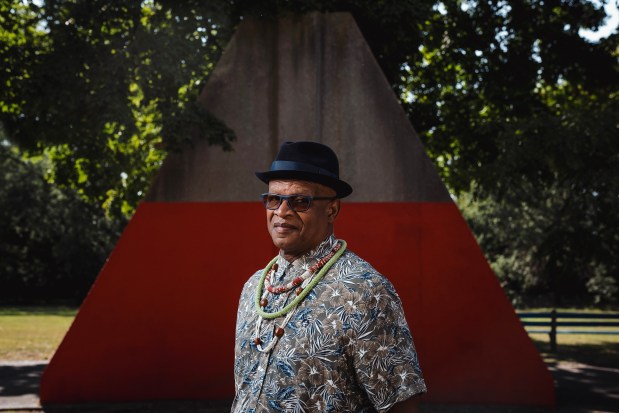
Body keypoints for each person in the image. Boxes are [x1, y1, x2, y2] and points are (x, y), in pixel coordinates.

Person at [232, 141, 426, 413]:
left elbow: (401, 406)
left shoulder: (364, 291)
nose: (281, 211)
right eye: (273, 199)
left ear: (332, 209)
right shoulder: (255, 287)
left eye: (300, 201)